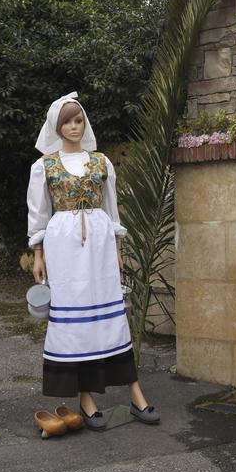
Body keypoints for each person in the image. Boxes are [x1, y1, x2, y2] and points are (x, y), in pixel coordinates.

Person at [26, 92, 158, 431]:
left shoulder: (101, 162)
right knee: (75, 322)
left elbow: (112, 208)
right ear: (56, 126)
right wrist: (38, 254)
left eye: (78, 120)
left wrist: (118, 246)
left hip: (99, 242)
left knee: (111, 316)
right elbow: (39, 214)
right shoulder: (44, 166)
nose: (74, 126)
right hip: (64, 246)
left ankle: (136, 393)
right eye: (67, 121)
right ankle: (85, 399)